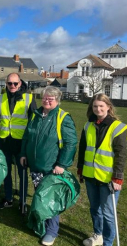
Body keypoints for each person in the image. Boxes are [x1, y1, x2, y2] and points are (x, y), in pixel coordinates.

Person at [20, 86, 77, 246]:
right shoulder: (36, 115)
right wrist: (23, 154)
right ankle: (41, 224)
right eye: (45, 97)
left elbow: (71, 142)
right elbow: (26, 136)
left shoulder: (63, 117)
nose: (46, 100)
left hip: (52, 167)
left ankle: (51, 231)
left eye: (50, 99)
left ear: (57, 101)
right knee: (40, 197)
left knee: (50, 199)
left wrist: (62, 164)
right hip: (35, 165)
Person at [77, 94, 127, 246]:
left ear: (108, 107)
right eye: (95, 106)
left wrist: (118, 178)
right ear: (91, 108)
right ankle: (98, 235)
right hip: (90, 176)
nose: (98, 109)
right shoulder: (88, 125)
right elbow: (82, 149)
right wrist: (80, 169)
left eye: (101, 106)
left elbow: (121, 155)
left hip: (109, 179)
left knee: (108, 214)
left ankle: (107, 242)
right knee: (95, 209)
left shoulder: (118, 127)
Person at [0, 72, 37, 212]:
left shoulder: (29, 98)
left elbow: (34, 122)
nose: (12, 86)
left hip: (21, 143)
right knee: (5, 172)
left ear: (20, 84)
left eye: (15, 83)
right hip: (4, 141)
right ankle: (8, 198)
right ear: (6, 84)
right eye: (9, 83)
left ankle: (23, 202)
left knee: (22, 173)